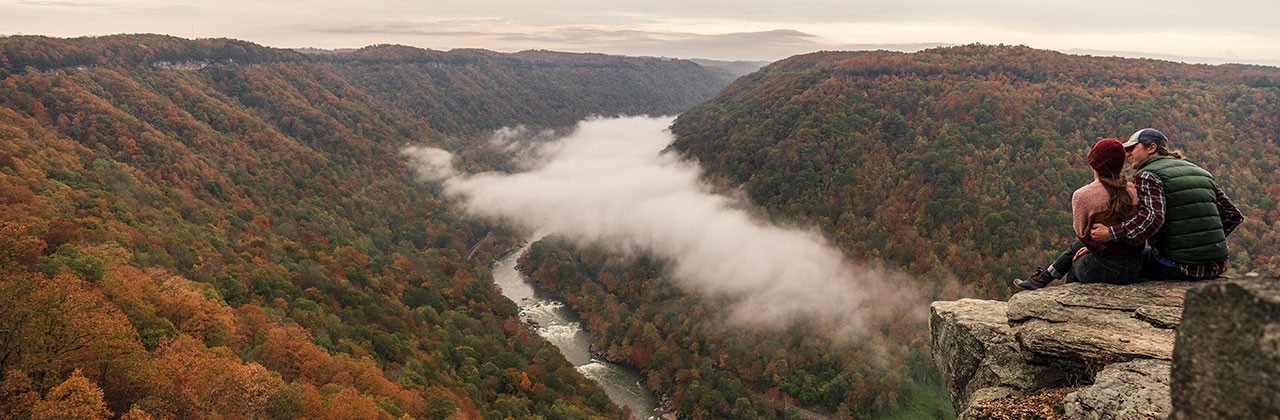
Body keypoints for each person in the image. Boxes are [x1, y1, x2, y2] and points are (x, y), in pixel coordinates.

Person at [1087, 128, 1244, 280]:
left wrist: (1111, 233)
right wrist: (1206, 243)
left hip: (1180, 266)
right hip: (1218, 264)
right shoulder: (1200, 172)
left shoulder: (1148, 175)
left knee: (1119, 262)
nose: (1127, 154)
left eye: (1132, 148)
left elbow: (1152, 218)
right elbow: (1233, 215)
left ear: (1151, 148)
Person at [1014, 138, 1144, 290]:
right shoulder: (1135, 190)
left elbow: (1082, 233)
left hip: (1103, 270)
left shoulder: (1083, 195)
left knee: (1077, 260)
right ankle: (1045, 277)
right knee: (1081, 247)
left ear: (1093, 164)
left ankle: (1061, 297)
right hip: (1135, 267)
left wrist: (1095, 246)